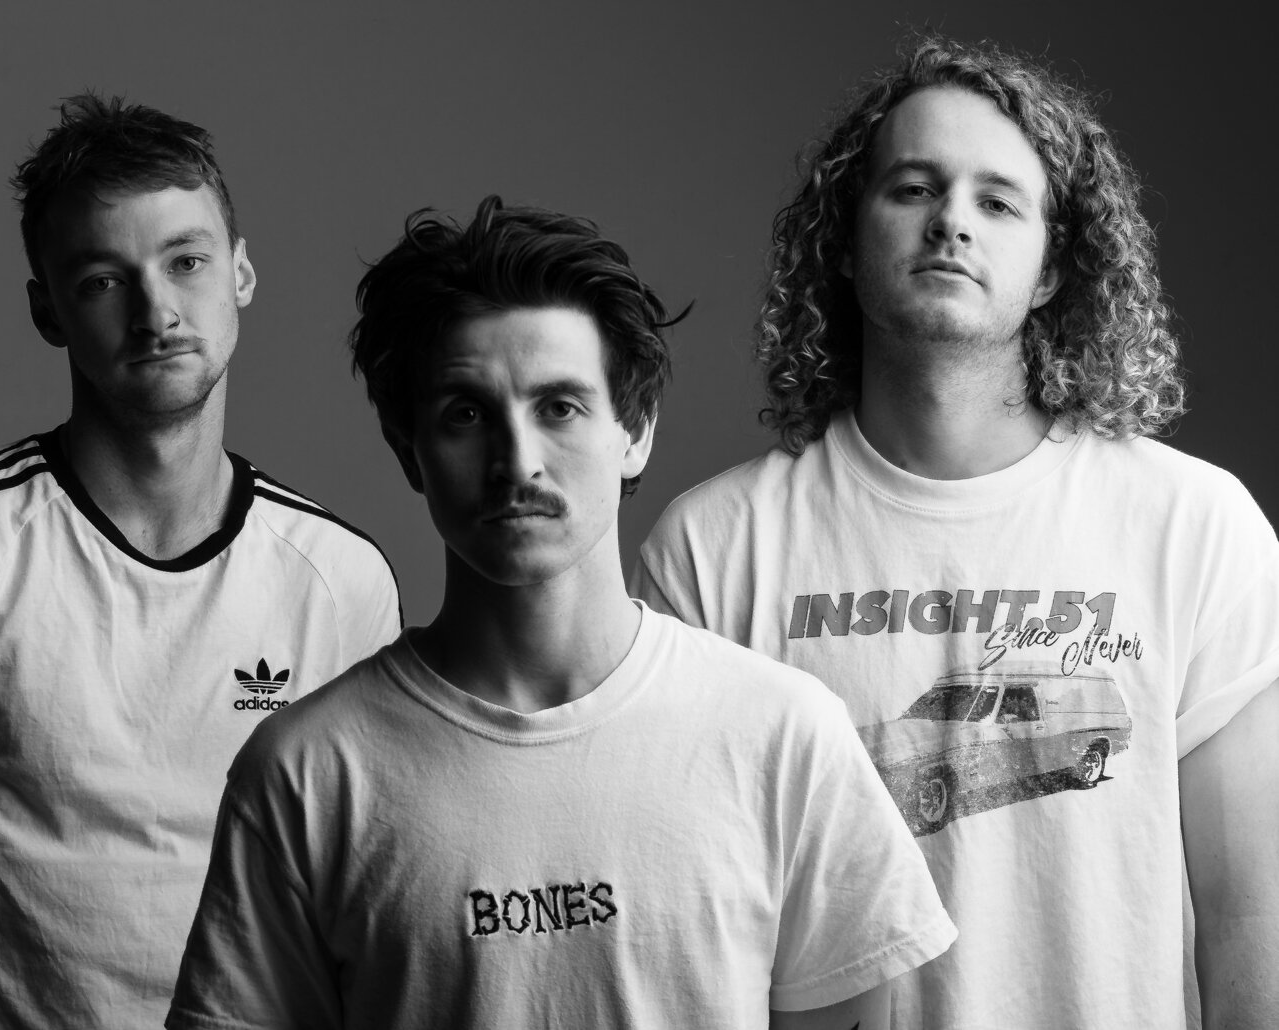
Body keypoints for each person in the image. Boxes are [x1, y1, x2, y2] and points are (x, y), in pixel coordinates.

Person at [166, 195, 955, 1030]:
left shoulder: (785, 736)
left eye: (560, 407)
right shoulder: (305, 773)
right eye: (466, 414)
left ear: (635, 429)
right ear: (410, 451)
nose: (518, 461)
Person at [633, 34, 1279, 1030]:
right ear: (845, 245)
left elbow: (1248, 915)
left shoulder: (1195, 526)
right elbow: (692, 923)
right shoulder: (714, 548)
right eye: (914, 188)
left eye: (997, 200)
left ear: (1056, 266)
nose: (951, 224)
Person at [0, 95, 401, 1029]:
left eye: (187, 262)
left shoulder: (342, 577)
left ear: (241, 273)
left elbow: (363, 894)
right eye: (102, 280)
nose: (157, 310)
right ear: (48, 310)